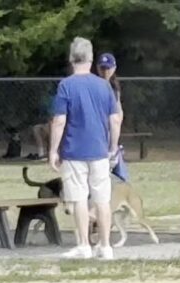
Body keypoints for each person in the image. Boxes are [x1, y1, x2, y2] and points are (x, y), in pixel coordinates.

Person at [49, 37, 121, 260]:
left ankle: (83, 244)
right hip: (99, 150)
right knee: (102, 199)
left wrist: (53, 149)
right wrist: (112, 147)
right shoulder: (103, 85)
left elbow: (59, 120)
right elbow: (115, 120)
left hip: (74, 151)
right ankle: (106, 245)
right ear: (91, 59)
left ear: (72, 59)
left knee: (79, 198)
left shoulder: (66, 85)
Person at [96, 52, 129, 182]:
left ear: (114, 68)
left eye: (108, 68)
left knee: (116, 164)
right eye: (102, 68)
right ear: (97, 68)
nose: (105, 71)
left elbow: (118, 114)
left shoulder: (114, 87)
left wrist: (114, 144)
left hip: (110, 132)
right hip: (100, 133)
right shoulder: (96, 86)